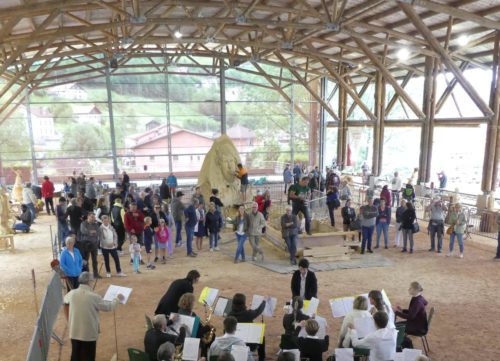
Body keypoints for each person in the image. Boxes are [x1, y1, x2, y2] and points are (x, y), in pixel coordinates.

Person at [64, 272, 124, 361]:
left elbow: (65, 303)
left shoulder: (71, 293)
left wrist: (69, 319)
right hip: (88, 334)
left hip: (74, 332)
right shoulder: (94, 297)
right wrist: (117, 299)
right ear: (89, 282)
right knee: (88, 357)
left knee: (75, 355)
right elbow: (109, 307)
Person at [228, 293, 267, 361]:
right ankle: (261, 358)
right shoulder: (248, 314)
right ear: (243, 303)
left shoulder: (229, 315)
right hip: (248, 344)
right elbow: (258, 311)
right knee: (261, 336)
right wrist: (264, 301)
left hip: (233, 343)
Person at [79, 212, 101, 278]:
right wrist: (91, 232)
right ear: (88, 217)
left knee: (95, 260)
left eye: (94, 217)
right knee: (86, 260)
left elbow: (98, 232)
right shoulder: (83, 224)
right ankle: (86, 275)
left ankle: (96, 274)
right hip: (86, 245)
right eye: (92, 217)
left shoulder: (96, 224)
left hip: (94, 244)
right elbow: (83, 231)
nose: (93, 218)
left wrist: (90, 232)